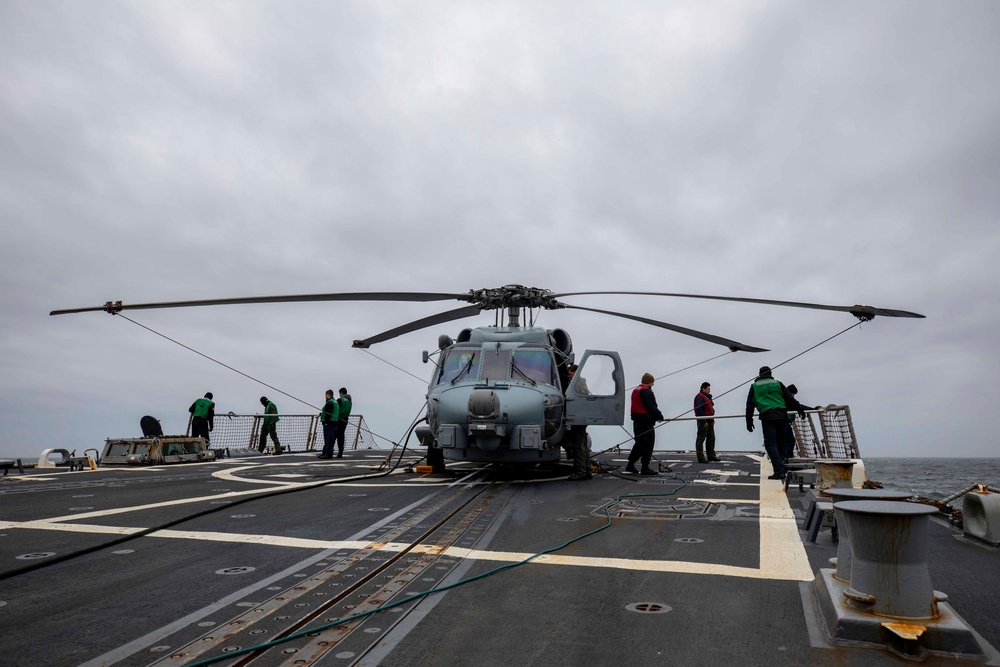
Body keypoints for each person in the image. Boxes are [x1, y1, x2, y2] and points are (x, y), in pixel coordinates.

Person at [746, 366, 805, 480]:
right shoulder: (778, 383)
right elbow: (789, 399)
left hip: (768, 417)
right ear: (770, 373)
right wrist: (799, 409)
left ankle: (779, 471)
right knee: (781, 443)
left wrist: (749, 421)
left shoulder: (754, 386)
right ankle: (782, 467)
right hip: (782, 416)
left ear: (760, 374)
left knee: (770, 444)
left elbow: (749, 405)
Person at [627, 373, 665, 475]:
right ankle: (645, 467)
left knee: (639, 443)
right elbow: (651, 407)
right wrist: (659, 416)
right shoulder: (646, 392)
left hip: (637, 421)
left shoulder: (637, 390)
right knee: (648, 443)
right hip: (645, 421)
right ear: (650, 383)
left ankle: (630, 464)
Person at [565, 364, 592, 481]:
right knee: (583, 445)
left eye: (570, 373)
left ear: (575, 372)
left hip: (578, 417)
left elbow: (582, 398)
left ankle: (581, 472)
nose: (569, 375)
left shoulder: (578, 383)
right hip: (580, 416)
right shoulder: (578, 382)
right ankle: (587, 470)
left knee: (578, 445)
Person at [693, 382, 719, 463]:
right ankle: (701, 458)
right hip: (703, 421)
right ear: (703, 389)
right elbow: (699, 410)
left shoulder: (706, 397)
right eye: (708, 389)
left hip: (709, 420)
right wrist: (704, 421)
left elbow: (710, 409)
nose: (709, 391)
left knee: (711, 439)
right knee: (701, 439)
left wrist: (712, 420)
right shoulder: (699, 397)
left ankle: (711, 456)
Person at [318, 389, 340, 459]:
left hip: (329, 423)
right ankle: (325, 453)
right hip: (334, 422)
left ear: (327, 395)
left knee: (328, 439)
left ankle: (328, 454)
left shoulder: (330, 402)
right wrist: (321, 414)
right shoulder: (335, 402)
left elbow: (328, 413)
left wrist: (326, 422)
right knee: (330, 439)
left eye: (325, 395)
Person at [335, 388, 352, 458]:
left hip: (338, 419)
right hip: (345, 420)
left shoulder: (340, 400)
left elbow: (334, 407)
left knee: (333, 436)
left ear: (341, 393)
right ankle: (340, 452)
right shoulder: (349, 401)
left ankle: (328, 451)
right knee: (341, 436)